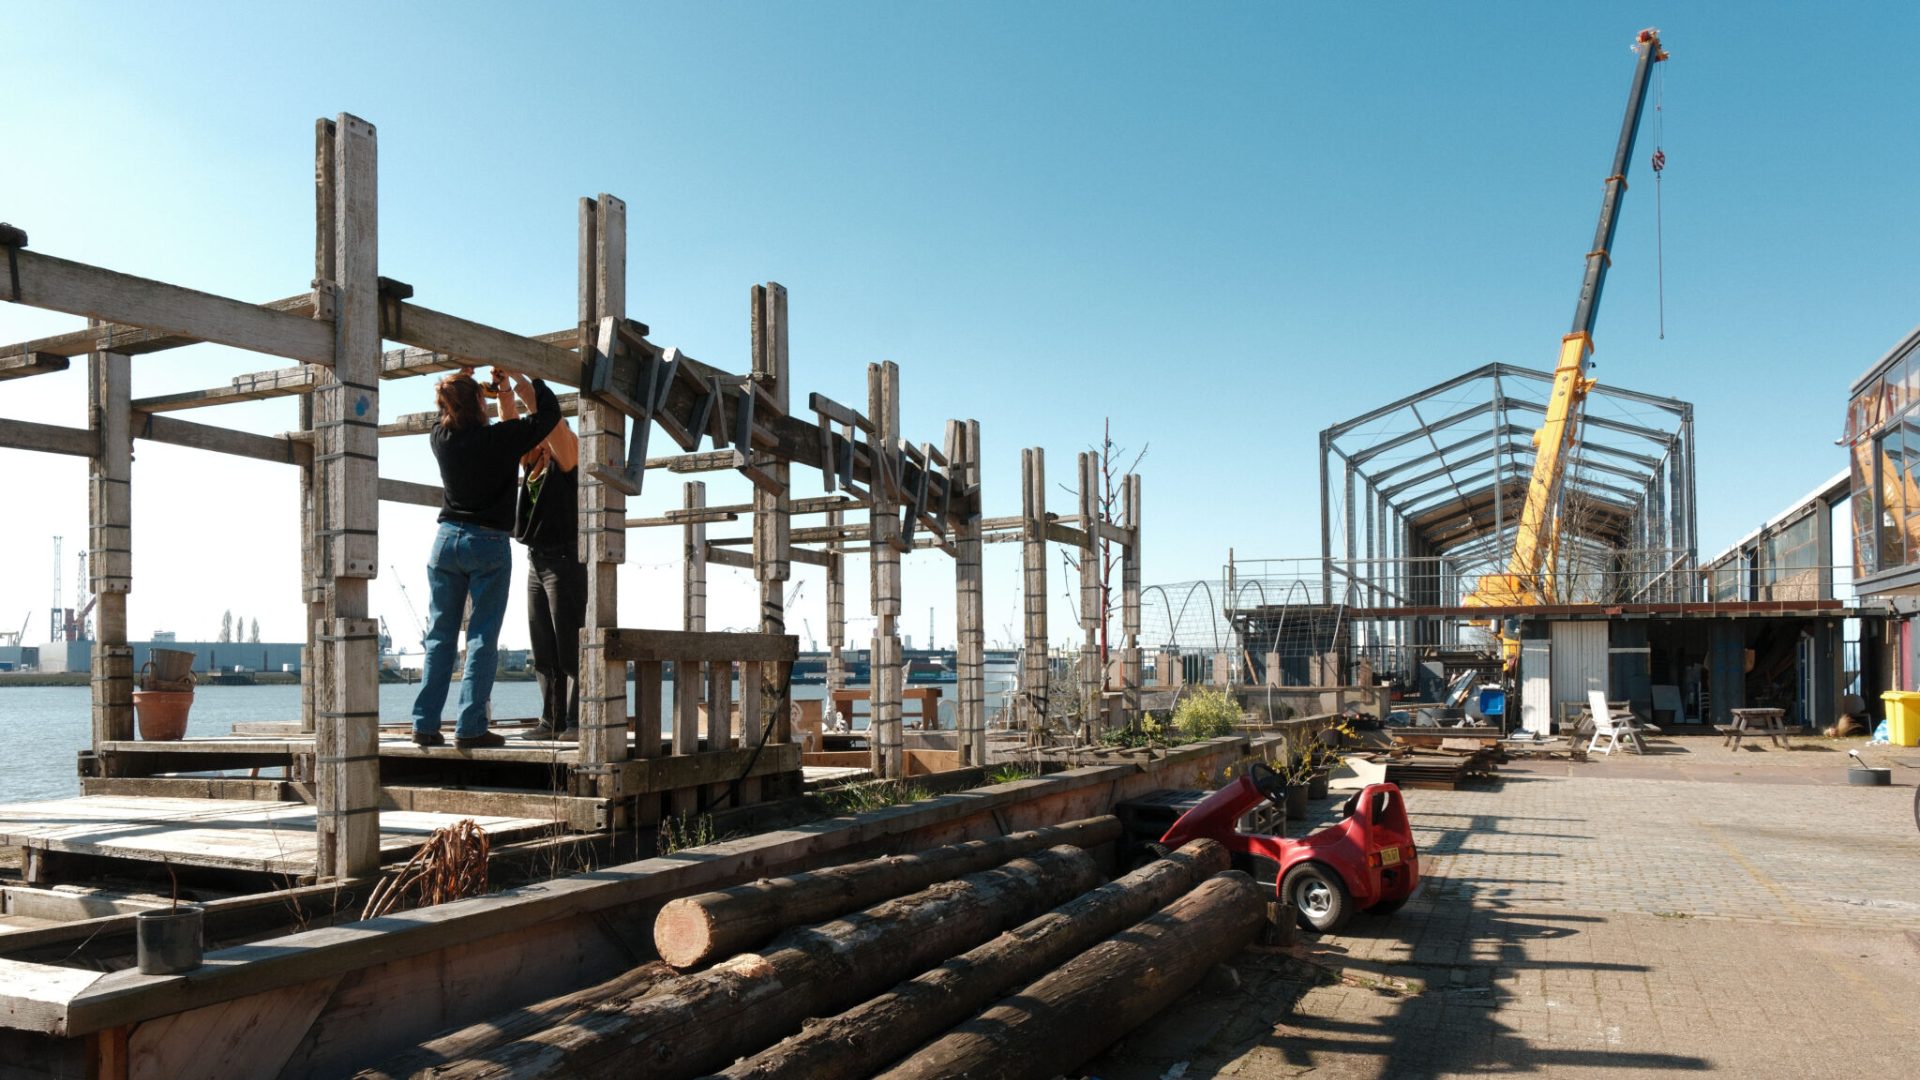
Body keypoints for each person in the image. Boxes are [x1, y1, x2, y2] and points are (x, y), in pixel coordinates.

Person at [411, 367, 559, 749]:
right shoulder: (499, 438)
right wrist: (532, 378)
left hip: (445, 542)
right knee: (481, 638)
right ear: (480, 402)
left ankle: (425, 725)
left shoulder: (439, 438)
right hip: (487, 543)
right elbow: (549, 416)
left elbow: (440, 413)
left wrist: (460, 379)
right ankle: (471, 727)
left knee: (439, 637)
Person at [499, 378, 584, 740]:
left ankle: (578, 722)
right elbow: (510, 428)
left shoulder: (568, 458)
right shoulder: (532, 464)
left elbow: (553, 428)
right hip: (536, 561)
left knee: (571, 644)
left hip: (565, 559)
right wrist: (504, 391)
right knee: (543, 646)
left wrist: (529, 392)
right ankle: (552, 720)